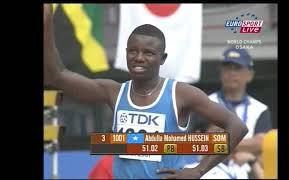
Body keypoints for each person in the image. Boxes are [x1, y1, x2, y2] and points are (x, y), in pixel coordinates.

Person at [44, 4, 248, 179]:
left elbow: (237, 127)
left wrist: (199, 170)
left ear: (163, 58)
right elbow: (57, 75)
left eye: (148, 53)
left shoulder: (181, 94)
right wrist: (47, 23)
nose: (139, 57)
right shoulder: (113, 92)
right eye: (133, 51)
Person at [204, 47, 273, 179]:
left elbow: (261, 143)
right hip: (210, 171)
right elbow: (205, 142)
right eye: (227, 68)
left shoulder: (260, 108)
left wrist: (223, 142)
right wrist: (247, 146)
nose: (231, 73)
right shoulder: (206, 102)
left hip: (247, 171)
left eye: (237, 68)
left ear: (250, 74)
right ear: (221, 72)